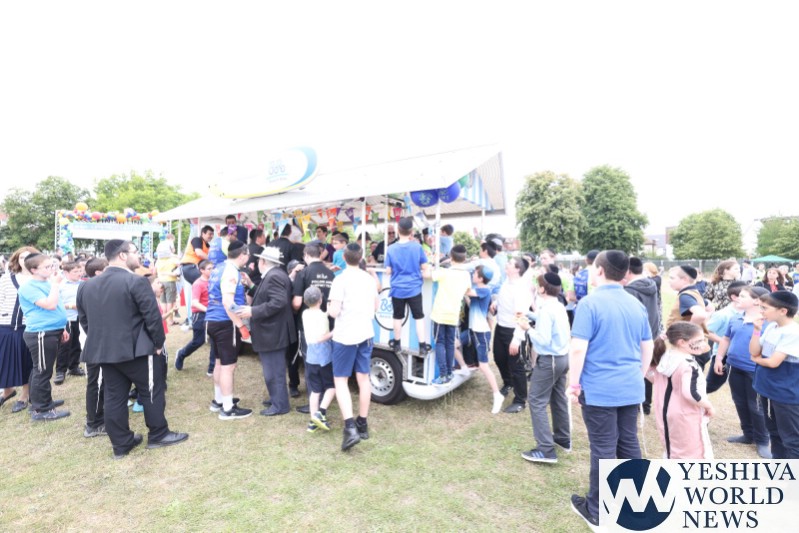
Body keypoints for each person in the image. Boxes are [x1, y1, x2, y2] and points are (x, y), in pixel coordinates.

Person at [77, 240, 188, 458]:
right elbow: (152, 317)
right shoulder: (135, 281)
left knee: (114, 397)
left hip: (107, 351)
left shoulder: (87, 286)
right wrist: (158, 344)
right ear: (122, 255)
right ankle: (158, 434)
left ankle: (121, 443)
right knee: (151, 390)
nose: (139, 256)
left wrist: (103, 341)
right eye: (135, 252)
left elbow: (85, 320)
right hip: (138, 350)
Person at [567, 250, 653, 529]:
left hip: (600, 389)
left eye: (593, 267)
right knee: (628, 443)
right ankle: (636, 506)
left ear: (600, 270)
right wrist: (638, 375)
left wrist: (574, 384)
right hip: (629, 386)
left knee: (604, 448)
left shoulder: (589, 303)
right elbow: (647, 346)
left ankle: (597, 510)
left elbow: (578, 348)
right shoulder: (635, 304)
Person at [328, 243, 380, 451]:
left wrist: (328, 306)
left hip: (345, 336)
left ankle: (350, 427)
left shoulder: (340, 280)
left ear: (343, 257)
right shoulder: (369, 279)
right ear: (361, 257)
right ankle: (362, 423)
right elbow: (376, 306)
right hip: (365, 333)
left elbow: (334, 312)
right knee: (363, 379)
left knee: (340, 380)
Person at [518, 272, 571, 463]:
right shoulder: (557, 306)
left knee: (536, 400)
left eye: (537, 284)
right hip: (562, 358)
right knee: (558, 398)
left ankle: (546, 449)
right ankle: (562, 438)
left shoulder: (548, 310)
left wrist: (528, 329)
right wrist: (529, 315)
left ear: (542, 289)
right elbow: (544, 319)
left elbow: (543, 340)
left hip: (550, 360)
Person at [713, 285, 771, 458]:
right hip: (734, 367)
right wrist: (719, 358)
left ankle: (762, 441)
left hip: (755, 370)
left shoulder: (768, 323)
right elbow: (726, 339)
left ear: (757, 301)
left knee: (756, 406)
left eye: (743, 296)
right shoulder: (736, 318)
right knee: (739, 401)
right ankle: (748, 434)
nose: (738, 298)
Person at [237, 247, 296, 417]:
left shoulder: (274, 276)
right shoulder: (274, 274)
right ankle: (277, 398)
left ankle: (280, 405)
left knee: (274, 371)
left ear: (263, 262)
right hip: (273, 331)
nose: (257, 262)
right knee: (273, 369)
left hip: (273, 332)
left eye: (258, 260)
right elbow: (265, 296)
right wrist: (251, 285)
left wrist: (253, 311)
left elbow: (278, 302)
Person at [648, 322, 715, 459]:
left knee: (672, 447)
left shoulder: (665, 357)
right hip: (686, 414)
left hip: (665, 411)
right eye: (699, 341)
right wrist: (708, 405)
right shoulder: (688, 365)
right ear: (682, 342)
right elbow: (690, 393)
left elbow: (650, 374)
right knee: (691, 452)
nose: (703, 344)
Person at [18, 254, 71, 422]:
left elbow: (57, 305)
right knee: (42, 371)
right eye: (47, 267)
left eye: (52, 265)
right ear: (33, 270)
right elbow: (50, 305)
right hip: (41, 332)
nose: (52, 269)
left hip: (52, 330)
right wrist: (55, 284)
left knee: (42, 369)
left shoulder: (47, 282)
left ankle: (40, 401)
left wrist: (62, 327)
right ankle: (42, 410)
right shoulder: (28, 287)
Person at [204, 240, 253, 420]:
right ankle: (227, 408)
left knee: (219, 362)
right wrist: (241, 324)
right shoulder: (231, 271)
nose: (249, 257)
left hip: (212, 320)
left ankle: (219, 400)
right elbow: (227, 302)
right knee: (228, 366)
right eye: (248, 254)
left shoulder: (218, 268)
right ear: (242, 255)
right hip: (226, 322)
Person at [750, 290, 799, 459]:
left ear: (783, 311)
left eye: (765, 308)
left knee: (792, 440)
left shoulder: (793, 333)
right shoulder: (772, 327)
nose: (761, 312)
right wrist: (756, 330)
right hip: (768, 389)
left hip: (785, 394)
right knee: (774, 433)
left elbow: (773, 362)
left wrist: (757, 360)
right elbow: (754, 351)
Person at [292, 243, 335, 414]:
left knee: (310, 364)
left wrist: (295, 310)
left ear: (306, 255)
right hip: (328, 325)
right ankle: (325, 398)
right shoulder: (331, 273)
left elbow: (297, 302)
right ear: (320, 254)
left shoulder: (303, 273)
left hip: (308, 327)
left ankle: (314, 401)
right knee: (326, 362)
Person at [385, 217, 431, 356]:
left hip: (397, 289)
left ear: (398, 231)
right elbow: (425, 267)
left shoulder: (391, 248)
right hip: (414, 288)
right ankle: (422, 346)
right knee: (419, 317)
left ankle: (397, 344)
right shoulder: (417, 247)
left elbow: (388, 271)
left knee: (397, 317)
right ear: (411, 231)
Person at [493, 257, 534, 413]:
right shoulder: (507, 282)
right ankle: (508, 383)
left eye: (510, 263)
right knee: (499, 357)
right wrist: (496, 303)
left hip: (513, 330)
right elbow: (503, 298)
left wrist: (516, 339)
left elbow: (521, 315)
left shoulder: (521, 288)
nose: (506, 264)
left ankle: (520, 400)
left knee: (516, 365)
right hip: (501, 326)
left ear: (517, 269)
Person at [0, 247, 38, 413]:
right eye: (22, 257)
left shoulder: (39, 280)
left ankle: (25, 394)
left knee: (25, 361)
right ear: (17, 259)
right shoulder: (7, 278)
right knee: (4, 359)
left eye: (29, 257)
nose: (25, 260)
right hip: (5, 324)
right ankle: (7, 390)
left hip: (28, 326)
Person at [623, 257, 661, 415]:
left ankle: (637, 404)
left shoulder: (630, 291)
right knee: (646, 368)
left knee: (638, 370)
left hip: (638, 337)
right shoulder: (650, 284)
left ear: (628, 271)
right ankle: (645, 405)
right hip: (652, 333)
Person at [430, 245, 472, 385]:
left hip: (440, 314)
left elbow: (426, 275)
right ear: (464, 259)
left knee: (440, 343)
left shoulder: (444, 272)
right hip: (453, 314)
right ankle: (449, 372)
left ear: (451, 258)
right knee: (450, 343)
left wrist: (435, 263)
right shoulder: (466, 275)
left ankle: (443, 375)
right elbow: (467, 291)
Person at [465, 265, 504, 414]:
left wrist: (461, 277)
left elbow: (467, 291)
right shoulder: (479, 291)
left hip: (481, 333)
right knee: (455, 344)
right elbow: (471, 304)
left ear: (480, 278)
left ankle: (497, 395)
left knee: (484, 366)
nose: (472, 275)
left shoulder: (484, 290)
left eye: (474, 273)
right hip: (474, 330)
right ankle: (463, 368)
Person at [301, 286, 336, 433]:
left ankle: (312, 422)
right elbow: (321, 337)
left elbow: (319, 317)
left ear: (305, 301)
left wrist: (326, 312)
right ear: (321, 300)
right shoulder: (322, 317)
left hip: (311, 357)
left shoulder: (305, 314)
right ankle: (320, 413)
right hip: (323, 357)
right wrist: (334, 332)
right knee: (331, 387)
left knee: (315, 390)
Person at [665, 265, 712, 369]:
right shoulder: (694, 292)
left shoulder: (685, 296)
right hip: (697, 346)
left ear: (685, 279)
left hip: (691, 348)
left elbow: (700, 314)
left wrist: (687, 333)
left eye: (672, 278)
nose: (669, 281)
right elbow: (710, 307)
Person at [81, 257, 108, 438]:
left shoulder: (86, 287)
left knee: (101, 382)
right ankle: (94, 424)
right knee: (96, 382)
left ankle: (99, 417)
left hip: (97, 340)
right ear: (98, 273)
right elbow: (84, 317)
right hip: (97, 344)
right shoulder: (89, 288)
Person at [174, 260, 216, 374]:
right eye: (209, 269)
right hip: (200, 315)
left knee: (215, 340)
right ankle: (181, 354)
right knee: (198, 341)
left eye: (213, 268)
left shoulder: (214, 281)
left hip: (212, 314)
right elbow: (194, 303)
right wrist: (207, 310)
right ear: (201, 270)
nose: (212, 270)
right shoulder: (198, 284)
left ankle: (212, 368)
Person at [53, 261, 86, 385]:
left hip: (80, 317)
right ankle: (60, 370)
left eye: (80, 271)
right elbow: (55, 303)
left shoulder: (83, 284)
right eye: (75, 271)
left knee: (77, 343)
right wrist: (72, 306)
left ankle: (74, 366)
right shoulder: (60, 286)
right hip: (66, 318)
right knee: (65, 344)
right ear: (66, 273)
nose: (79, 273)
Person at [155, 250, 181, 325]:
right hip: (170, 282)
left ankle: (164, 318)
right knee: (170, 301)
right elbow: (180, 264)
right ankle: (170, 320)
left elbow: (155, 271)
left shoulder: (158, 261)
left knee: (163, 301)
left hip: (160, 282)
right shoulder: (172, 259)